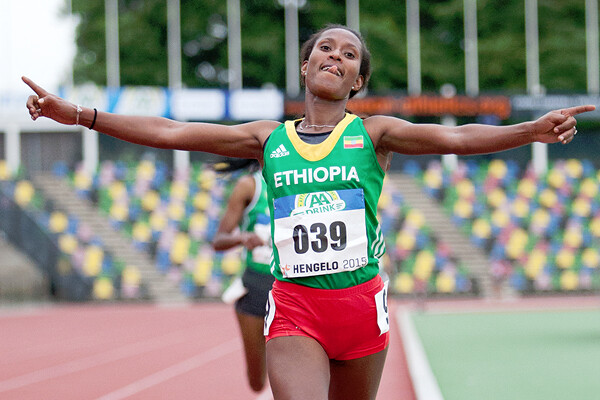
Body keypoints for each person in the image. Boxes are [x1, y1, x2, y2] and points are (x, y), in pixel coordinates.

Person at [24, 23, 594, 400]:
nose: (335, 56)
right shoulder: (266, 139)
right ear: (305, 66)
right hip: (296, 309)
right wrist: (82, 115)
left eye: (349, 55)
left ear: (358, 80)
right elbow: (172, 131)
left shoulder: (374, 134)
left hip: (362, 308)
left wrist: (529, 130)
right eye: (325, 48)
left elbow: (458, 138)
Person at [211, 158, 274, 393]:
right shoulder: (250, 186)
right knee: (257, 382)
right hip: (256, 286)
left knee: (292, 369)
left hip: (292, 286)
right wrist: (242, 238)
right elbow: (218, 240)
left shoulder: (303, 181)